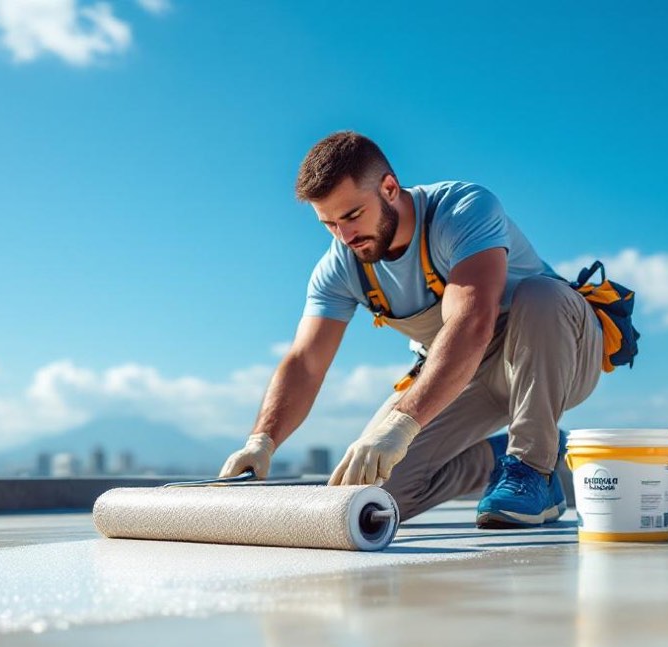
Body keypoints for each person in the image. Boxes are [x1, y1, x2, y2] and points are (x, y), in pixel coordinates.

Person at [217, 131, 604, 528]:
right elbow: (305, 363)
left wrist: (402, 424)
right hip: (461, 373)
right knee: (368, 499)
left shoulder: (461, 210)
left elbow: (472, 321)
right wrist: (261, 441)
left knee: (542, 295)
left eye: (352, 216)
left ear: (388, 188)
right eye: (329, 224)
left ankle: (531, 467)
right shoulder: (339, 268)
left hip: (557, 351)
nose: (345, 237)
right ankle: (502, 456)